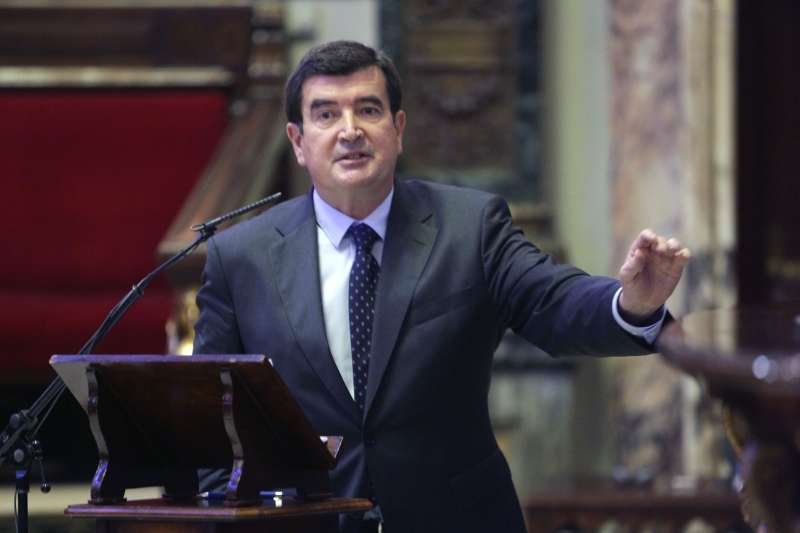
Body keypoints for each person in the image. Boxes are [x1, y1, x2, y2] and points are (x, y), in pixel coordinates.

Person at [194, 40, 691, 533]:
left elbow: (550, 300)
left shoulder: (469, 227)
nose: (350, 131)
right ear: (298, 142)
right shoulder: (240, 258)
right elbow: (211, 424)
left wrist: (631, 304)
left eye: (368, 109)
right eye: (326, 115)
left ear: (398, 129)